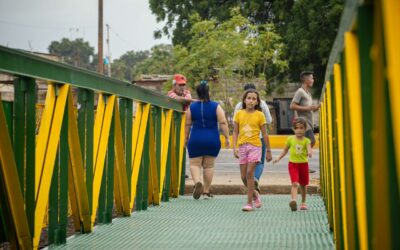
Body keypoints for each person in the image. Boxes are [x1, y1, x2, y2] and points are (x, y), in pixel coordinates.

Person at [185, 81, 230, 199]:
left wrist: (185, 138)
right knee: (209, 166)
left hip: (196, 139)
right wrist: (227, 137)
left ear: (198, 93)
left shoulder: (192, 107)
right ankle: (205, 192)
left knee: (195, 164)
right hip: (212, 139)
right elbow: (223, 122)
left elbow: (187, 124)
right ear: (208, 92)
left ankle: (196, 183)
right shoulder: (216, 106)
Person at [233, 89, 272, 211]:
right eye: (249, 98)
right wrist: (234, 147)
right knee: (243, 177)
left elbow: (265, 134)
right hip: (242, 146)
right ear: (244, 100)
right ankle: (255, 194)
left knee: (250, 173)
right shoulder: (239, 113)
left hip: (255, 146)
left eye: (254, 99)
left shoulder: (260, 115)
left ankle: (249, 203)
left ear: (257, 102)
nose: (251, 100)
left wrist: (269, 150)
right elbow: (235, 131)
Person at [272, 118, 312, 211]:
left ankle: (303, 202)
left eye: (301, 128)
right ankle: (293, 200)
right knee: (294, 183)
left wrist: (309, 152)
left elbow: (309, 149)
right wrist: (278, 158)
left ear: (305, 129)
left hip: (303, 165)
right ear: (293, 129)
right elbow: (285, 150)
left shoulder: (307, 140)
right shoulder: (290, 139)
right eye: (296, 128)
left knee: (303, 184)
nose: (299, 130)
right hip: (293, 165)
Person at [290, 71, 320, 173]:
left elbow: (309, 109)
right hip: (303, 123)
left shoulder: (308, 94)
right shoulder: (300, 92)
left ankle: (301, 165)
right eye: (311, 78)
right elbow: (292, 105)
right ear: (306, 80)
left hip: (309, 123)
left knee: (307, 144)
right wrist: (307, 108)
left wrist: (316, 107)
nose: (313, 80)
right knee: (311, 142)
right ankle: (300, 165)